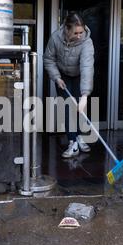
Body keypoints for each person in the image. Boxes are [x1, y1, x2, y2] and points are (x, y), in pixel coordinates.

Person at [44, 12, 95, 158]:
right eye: (76, 32)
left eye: (82, 32)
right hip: (63, 77)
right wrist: (56, 77)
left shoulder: (87, 42)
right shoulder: (55, 38)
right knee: (67, 108)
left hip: (79, 76)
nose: (80, 35)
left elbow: (87, 67)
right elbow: (49, 59)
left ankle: (79, 137)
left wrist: (85, 95)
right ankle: (72, 142)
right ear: (67, 29)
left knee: (80, 108)